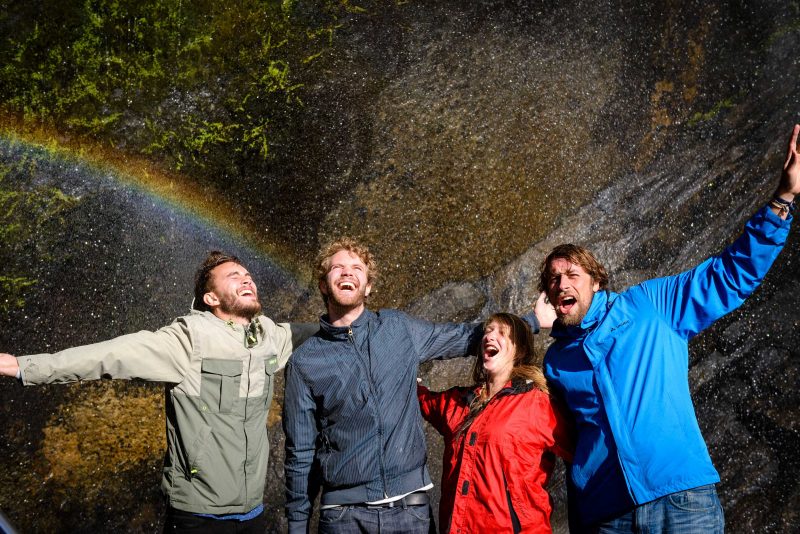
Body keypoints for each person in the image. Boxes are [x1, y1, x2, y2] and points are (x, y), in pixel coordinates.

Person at [537, 124, 800, 533]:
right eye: (553, 280)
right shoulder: (556, 361)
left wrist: (782, 200)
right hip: (607, 515)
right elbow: (566, 445)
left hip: (681, 499)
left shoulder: (649, 305)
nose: (562, 283)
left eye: (572, 273)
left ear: (596, 280)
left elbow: (730, 275)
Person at [0, 251, 316, 533]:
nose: (247, 280)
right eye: (234, 277)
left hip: (253, 513)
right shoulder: (188, 340)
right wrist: (22, 365)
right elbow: (108, 356)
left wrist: (360, 322)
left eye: (248, 276)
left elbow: (320, 331)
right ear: (211, 298)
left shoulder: (268, 337)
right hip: (198, 515)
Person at [282, 237, 543, 534]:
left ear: (367, 286)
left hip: (411, 511)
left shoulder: (398, 329)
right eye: (337, 268)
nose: (347, 273)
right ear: (322, 284)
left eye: (357, 268)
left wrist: (529, 323)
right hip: (344, 517)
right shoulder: (305, 361)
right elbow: (300, 452)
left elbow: (462, 337)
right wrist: (298, 525)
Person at [417, 312, 574, 533]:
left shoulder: (537, 403)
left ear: (518, 350)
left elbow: (582, 452)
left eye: (502, 333)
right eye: (488, 331)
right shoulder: (459, 404)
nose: (490, 336)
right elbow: (417, 399)